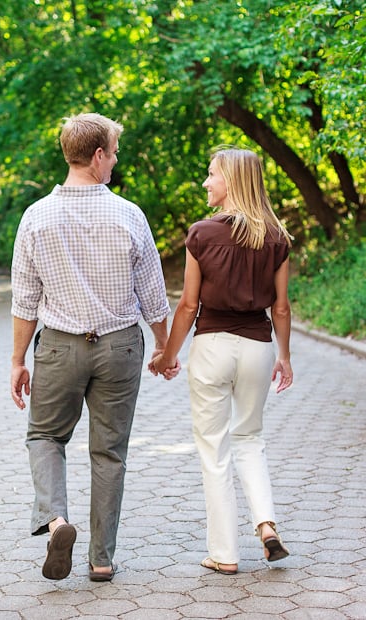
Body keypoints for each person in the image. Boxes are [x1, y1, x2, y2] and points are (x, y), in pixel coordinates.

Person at [10, 113, 172, 581]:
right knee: (110, 453)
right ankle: (101, 559)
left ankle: (57, 520)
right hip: (120, 346)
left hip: (59, 347)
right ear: (98, 156)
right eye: (115, 153)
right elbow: (154, 296)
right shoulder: (129, 214)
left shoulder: (36, 216)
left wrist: (18, 361)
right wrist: (164, 348)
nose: (116, 161)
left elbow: (26, 299)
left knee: (44, 436)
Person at [150, 146, 293, 575]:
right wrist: (283, 356)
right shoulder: (276, 237)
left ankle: (225, 554)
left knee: (214, 450)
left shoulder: (201, 235)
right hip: (257, 347)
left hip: (212, 347)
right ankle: (266, 524)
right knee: (249, 438)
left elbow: (188, 306)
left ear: (230, 181)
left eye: (211, 175)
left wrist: (167, 355)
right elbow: (281, 308)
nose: (206, 182)